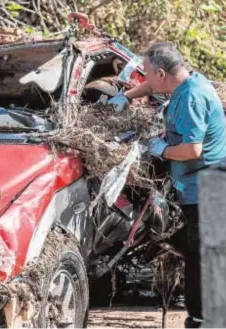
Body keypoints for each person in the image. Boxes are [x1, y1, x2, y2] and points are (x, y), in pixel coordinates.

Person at [109, 42, 226, 328]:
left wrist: (158, 147)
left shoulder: (191, 99)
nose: (145, 78)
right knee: (195, 250)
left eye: (147, 73)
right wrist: (126, 96)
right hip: (197, 182)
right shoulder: (185, 81)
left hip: (206, 189)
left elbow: (191, 150)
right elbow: (152, 87)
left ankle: (202, 320)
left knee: (202, 257)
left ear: (162, 72)